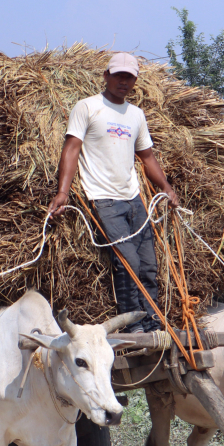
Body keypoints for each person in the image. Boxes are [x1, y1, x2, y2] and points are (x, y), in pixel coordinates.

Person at [47, 52, 179, 333]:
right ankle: (133, 326)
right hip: (103, 199)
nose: (123, 81)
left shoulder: (136, 115)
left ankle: (152, 322)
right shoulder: (87, 107)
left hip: (134, 199)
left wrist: (166, 188)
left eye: (129, 77)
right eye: (118, 75)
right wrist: (63, 192)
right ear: (106, 76)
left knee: (148, 266)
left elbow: (147, 158)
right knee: (128, 262)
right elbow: (71, 149)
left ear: (134, 81)